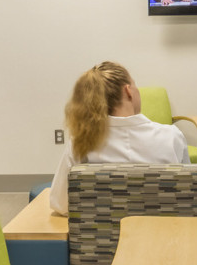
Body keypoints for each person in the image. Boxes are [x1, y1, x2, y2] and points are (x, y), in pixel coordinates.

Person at [48, 61, 189, 215]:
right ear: (128, 90)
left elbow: (60, 203)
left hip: (102, 236)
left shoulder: (80, 143)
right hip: (160, 236)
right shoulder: (171, 136)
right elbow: (187, 196)